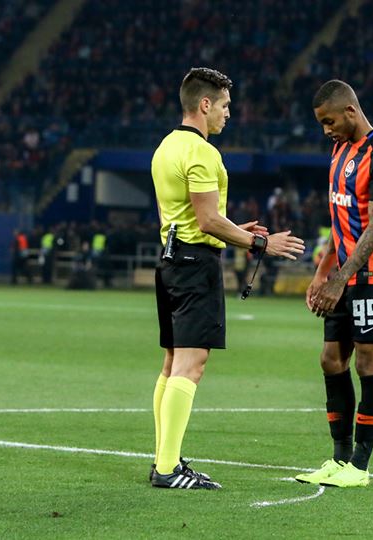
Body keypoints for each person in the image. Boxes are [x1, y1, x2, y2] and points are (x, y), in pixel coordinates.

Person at [149, 67, 304, 490]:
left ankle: (164, 458)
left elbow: (185, 216)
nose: (228, 113)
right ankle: (167, 469)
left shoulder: (166, 147)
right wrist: (260, 243)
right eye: (224, 105)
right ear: (205, 104)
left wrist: (232, 229)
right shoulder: (202, 153)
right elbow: (207, 220)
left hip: (171, 261)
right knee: (192, 364)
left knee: (172, 363)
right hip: (195, 266)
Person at [297, 80, 373, 488]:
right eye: (321, 124)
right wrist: (322, 273)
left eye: (329, 121)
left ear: (350, 112)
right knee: (331, 359)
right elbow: (339, 221)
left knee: (367, 363)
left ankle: (359, 465)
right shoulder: (340, 150)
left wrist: (339, 280)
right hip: (343, 274)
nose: (326, 130)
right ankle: (339, 458)